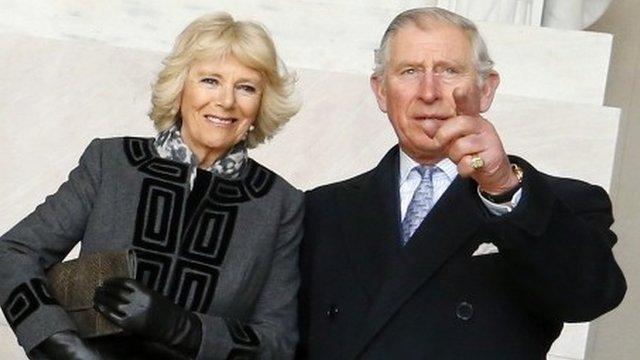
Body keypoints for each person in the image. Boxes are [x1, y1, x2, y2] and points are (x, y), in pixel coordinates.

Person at [298, 7, 626, 359]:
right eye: (410, 71)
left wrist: (501, 185)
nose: (429, 92)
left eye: (449, 71)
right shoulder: (319, 210)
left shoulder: (560, 202)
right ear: (381, 91)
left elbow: (588, 296)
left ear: (486, 90)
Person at [0, 12, 302, 360]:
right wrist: (64, 345)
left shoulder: (279, 203)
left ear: (262, 103)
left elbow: (278, 343)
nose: (226, 101)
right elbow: (13, 254)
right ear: (181, 86)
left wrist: (182, 328)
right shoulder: (111, 163)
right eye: (209, 80)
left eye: (246, 87)